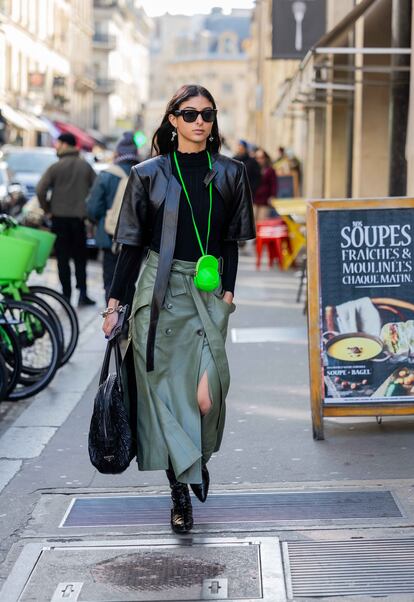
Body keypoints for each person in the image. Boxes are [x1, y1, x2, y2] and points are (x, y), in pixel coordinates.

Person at [102, 84, 255, 534]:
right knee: (167, 398)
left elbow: (230, 242)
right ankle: (180, 491)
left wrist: (227, 293)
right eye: (189, 114)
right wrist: (115, 303)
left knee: (208, 394)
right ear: (172, 120)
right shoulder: (148, 173)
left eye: (207, 114)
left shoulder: (231, 172)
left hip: (207, 294)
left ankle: (195, 462)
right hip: (159, 291)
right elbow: (129, 245)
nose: (200, 122)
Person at [36, 132, 97, 305]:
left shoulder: (56, 167)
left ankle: (66, 295)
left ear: (64, 145)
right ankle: (83, 294)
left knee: (62, 259)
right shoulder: (85, 166)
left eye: (58, 143)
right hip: (79, 220)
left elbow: (40, 190)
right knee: (80, 258)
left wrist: (47, 209)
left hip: (59, 219)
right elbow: (96, 189)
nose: (57, 146)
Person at [86, 131, 139, 303]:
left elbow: (93, 208)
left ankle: (113, 323)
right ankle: (127, 323)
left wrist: (100, 222)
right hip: (135, 240)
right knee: (130, 283)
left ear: (118, 153)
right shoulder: (145, 174)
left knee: (110, 280)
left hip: (109, 238)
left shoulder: (107, 175)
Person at [254, 148, 278, 222]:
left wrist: (272, 196)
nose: (259, 160)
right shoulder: (253, 169)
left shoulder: (270, 170)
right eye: (257, 158)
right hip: (253, 199)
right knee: (252, 222)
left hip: (264, 200)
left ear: (265, 158)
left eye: (261, 158)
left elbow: (274, 184)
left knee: (262, 220)